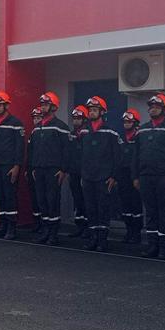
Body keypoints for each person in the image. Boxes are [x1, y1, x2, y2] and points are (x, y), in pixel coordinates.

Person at [132, 94, 165, 260]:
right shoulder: (142, 130)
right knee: (151, 212)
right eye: (151, 106)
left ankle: (164, 248)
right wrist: (135, 176)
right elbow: (135, 155)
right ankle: (152, 245)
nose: (152, 108)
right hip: (146, 177)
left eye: (156, 106)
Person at [79, 97, 122, 252]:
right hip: (88, 177)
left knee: (103, 209)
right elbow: (81, 155)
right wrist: (82, 175)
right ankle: (93, 238)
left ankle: (102, 240)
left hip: (104, 178)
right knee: (90, 208)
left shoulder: (111, 132)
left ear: (102, 112)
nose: (91, 112)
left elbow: (117, 156)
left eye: (95, 110)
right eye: (90, 110)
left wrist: (114, 176)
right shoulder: (84, 132)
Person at [29, 91, 70, 245]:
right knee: (42, 201)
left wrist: (63, 169)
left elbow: (67, 150)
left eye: (46, 104)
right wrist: (33, 166)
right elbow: (32, 149)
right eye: (42, 104)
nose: (43, 107)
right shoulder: (37, 127)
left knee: (53, 200)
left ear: (54, 107)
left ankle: (53, 233)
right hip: (39, 169)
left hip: (54, 170)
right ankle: (45, 230)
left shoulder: (61, 127)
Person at [0, 91, 25, 240]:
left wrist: (16, 166)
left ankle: (11, 228)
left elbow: (19, 147)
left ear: (6, 105)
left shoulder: (16, 123)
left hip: (9, 166)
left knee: (10, 197)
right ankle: (2, 226)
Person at [118, 109, 143, 244]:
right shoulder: (120, 137)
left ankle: (137, 233)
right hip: (122, 175)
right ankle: (128, 231)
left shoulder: (139, 137)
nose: (126, 124)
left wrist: (137, 176)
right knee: (125, 204)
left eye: (129, 122)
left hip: (135, 176)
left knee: (136, 204)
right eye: (125, 122)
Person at [67, 105, 89, 238]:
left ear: (84, 120)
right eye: (74, 118)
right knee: (77, 200)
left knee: (86, 200)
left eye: (78, 118)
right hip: (73, 173)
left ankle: (88, 227)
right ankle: (79, 226)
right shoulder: (72, 134)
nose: (76, 121)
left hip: (85, 174)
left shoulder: (87, 134)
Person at [25, 107, 43, 232]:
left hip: (40, 169)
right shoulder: (33, 133)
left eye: (38, 118)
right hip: (31, 169)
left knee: (43, 197)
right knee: (34, 196)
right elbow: (29, 153)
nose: (36, 120)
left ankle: (43, 223)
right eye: (34, 118)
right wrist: (27, 169)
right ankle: (36, 222)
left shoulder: (43, 133)